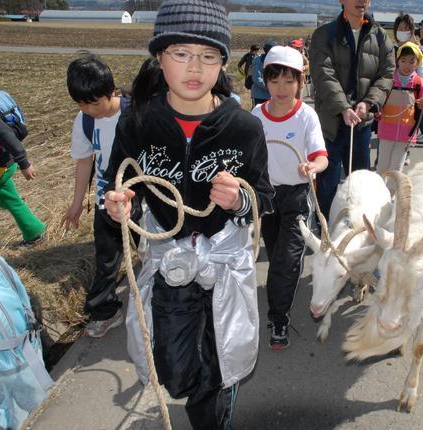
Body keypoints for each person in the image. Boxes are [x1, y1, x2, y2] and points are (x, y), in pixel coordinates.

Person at [102, 0, 274, 428]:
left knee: (221, 363)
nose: (194, 67)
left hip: (224, 260)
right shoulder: (138, 123)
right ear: (159, 57)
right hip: (170, 261)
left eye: (208, 55)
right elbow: (117, 187)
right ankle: (201, 391)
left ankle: (212, 412)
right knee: (175, 372)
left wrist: (240, 200)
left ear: (221, 63)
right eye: (181, 53)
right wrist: (120, 206)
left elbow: (265, 197)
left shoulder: (243, 128)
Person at [251, 46, 328, 350]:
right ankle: (277, 299)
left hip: (297, 196)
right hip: (267, 194)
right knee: (273, 251)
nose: (281, 89)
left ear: (300, 81)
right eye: (274, 81)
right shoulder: (257, 114)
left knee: (286, 258)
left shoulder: (306, 116)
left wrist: (312, 167)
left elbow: (321, 156)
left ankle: (278, 317)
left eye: (289, 81)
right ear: (265, 81)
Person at [61, 54, 140, 338]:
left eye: (95, 102)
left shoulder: (136, 113)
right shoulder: (84, 121)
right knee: (106, 258)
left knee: (152, 252)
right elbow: (85, 162)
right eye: (82, 103)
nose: (89, 109)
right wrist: (77, 203)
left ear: (111, 91)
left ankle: (159, 300)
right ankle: (105, 310)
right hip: (106, 200)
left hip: (141, 198)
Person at [309, 0, 395, 219]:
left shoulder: (380, 37)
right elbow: (323, 74)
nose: (361, 1)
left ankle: (360, 228)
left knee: (360, 181)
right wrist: (344, 107)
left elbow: (387, 74)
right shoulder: (324, 35)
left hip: (362, 122)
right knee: (328, 178)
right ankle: (325, 227)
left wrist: (368, 102)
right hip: (331, 122)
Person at [0, 91, 45, 252]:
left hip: (0, 164)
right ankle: (35, 232)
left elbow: (3, 132)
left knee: (7, 198)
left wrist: (24, 162)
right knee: (7, 198)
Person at [376, 42, 423, 181]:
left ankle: (390, 197)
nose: (407, 65)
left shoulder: (418, 83)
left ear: (417, 64)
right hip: (386, 131)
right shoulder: (389, 79)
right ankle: (377, 194)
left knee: (397, 169)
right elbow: (378, 99)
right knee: (382, 166)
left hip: (406, 134)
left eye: (411, 61)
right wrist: (376, 112)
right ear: (397, 61)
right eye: (403, 60)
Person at [392, 13, 423, 82]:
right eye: (400, 28)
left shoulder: (416, 50)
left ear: (411, 32)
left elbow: (421, 72)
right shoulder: (390, 50)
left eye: (407, 29)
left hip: (411, 89)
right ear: (396, 30)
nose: (403, 31)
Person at [251, 40, 279, 106]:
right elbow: (256, 78)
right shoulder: (258, 60)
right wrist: (270, 86)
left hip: (272, 96)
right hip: (259, 96)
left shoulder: (276, 60)